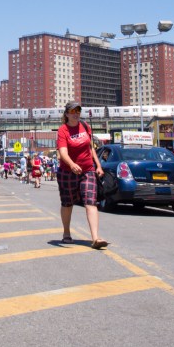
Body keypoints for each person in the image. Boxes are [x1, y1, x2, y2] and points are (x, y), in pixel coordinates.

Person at [56, 100, 108, 249]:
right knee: (67, 203)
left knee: (90, 202)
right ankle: (66, 232)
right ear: (66, 114)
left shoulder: (85, 126)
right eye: (72, 111)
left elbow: (91, 148)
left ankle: (95, 238)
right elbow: (63, 152)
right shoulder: (63, 130)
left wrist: (98, 165)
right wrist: (72, 165)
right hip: (67, 171)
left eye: (78, 110)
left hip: (87, 170)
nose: (76, 114)